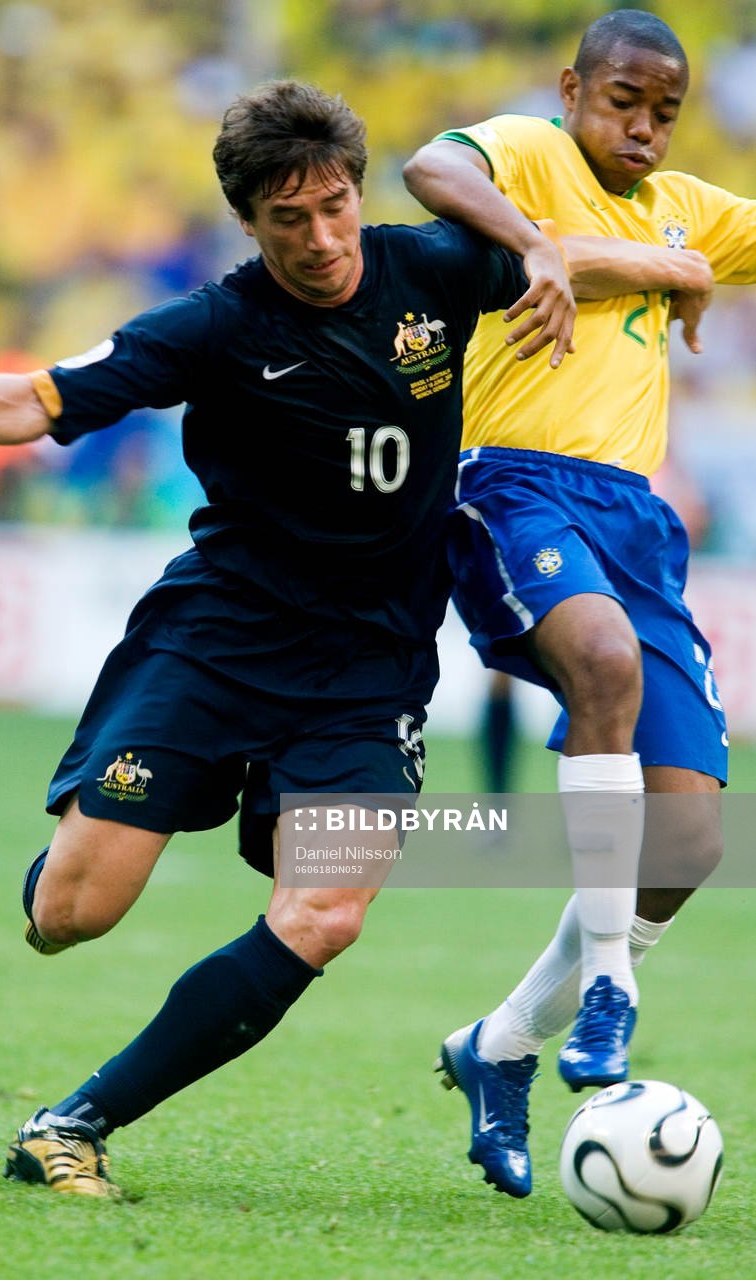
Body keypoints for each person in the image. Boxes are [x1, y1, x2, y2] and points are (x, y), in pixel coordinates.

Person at [0, 79, 591, 1199]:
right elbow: (36, 400)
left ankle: (75, 1121)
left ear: (357, 189)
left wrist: (652, 263)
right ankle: (81, 844)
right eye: (288, 219)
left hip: (368, 670)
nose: (321, 238)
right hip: (219, 642)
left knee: (324, 911)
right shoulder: (215, 325)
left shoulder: (435, 271)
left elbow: (576, 254)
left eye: (336, 205)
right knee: (69, 917)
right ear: (248, 223)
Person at [403, 8, 750, 1199]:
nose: (643, 128)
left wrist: (675, 252)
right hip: (512, 486)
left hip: (634, 520)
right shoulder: (524, 152)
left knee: (694, 835)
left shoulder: (687, 206)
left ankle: (497, 1042)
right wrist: (556, 249)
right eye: (622, 103)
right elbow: (427, 167)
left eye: (664, 111)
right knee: (600, 663)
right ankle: (610, 980)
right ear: (572, 88)